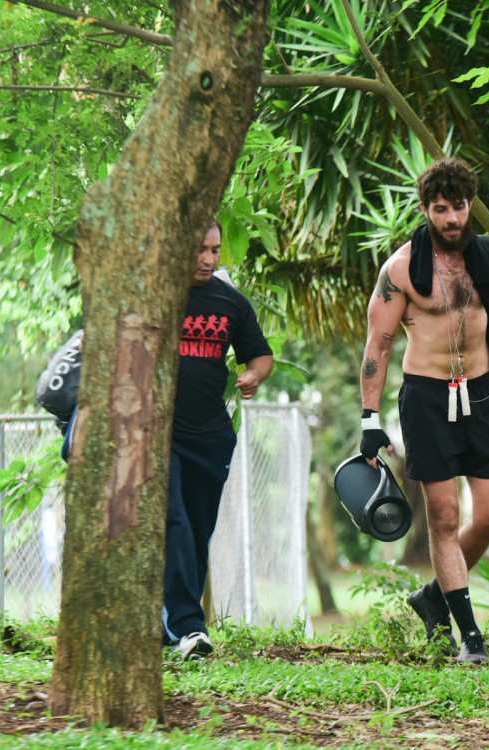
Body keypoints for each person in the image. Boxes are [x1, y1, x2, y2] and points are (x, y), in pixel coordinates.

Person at [358, 157, 489, 664]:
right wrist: (369, 421)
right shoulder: (400, 269)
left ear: (471, 206)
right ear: (426, 209)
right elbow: (377, 348)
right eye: (443, 210)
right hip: (426, 399)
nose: (453, 219)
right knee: (445, 518)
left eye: (461, 208)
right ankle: (470, 636)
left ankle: (433, 598)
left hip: (483, 393)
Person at [164, 221, 274, 659]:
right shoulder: (156, 296)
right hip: (162, 434)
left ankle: (172, 627)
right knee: (173, 520)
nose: (209, 260)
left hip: (210, 438)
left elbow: (260, 354)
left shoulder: (230, 301)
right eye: (200, 250)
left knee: (196, 531)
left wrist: (252, 375)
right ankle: (190, 626)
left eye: (215, 250)